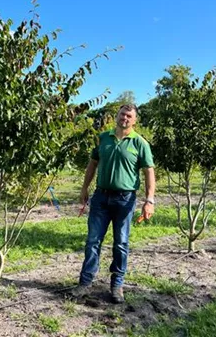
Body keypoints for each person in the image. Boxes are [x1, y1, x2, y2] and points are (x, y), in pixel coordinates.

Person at [72, 104, 155, 304]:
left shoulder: (140, 143)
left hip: (125, 200)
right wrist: (84, 189)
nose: (124, 118)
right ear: (116, 116)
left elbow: (149, 171)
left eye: (129, 116)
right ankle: (85, 283)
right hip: (101, 198)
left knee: (121, 243)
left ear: (134, 120)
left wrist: (149, 200)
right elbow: (92, 163)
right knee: (93, 241)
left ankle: (117, 285)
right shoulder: (103, 138)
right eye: (122, 114)